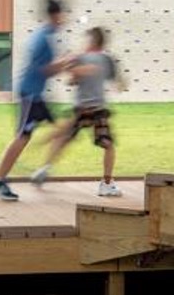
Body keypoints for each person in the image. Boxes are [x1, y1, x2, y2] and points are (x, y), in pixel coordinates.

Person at [0, 0, 70, 201]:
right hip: (30, 95)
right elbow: (42, 70)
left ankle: (41, 169)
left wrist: (64, 63)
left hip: (37, 96)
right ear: (55, 15)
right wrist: (66, 63)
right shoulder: (43, 39)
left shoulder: (46, 35)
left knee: (64, 129)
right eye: (63, 14)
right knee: (22, 137)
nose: (65, 18)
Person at [31, 27, 124, 197]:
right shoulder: (106, 59)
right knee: (107, 145)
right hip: (95, 109)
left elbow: (72, 81)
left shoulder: (87, 58)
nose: (84, 42)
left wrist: (71, 67)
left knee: (62, 139)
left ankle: (43, 170)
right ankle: (107, 184)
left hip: (84, 109)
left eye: (87, 39)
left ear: (93, 41)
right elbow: (117, 83)